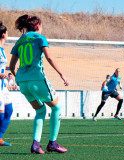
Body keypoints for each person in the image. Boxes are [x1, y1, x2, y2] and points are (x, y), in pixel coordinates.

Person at [9, 15, 69, 154]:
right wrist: (61, 74)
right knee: (57, 107)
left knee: (40, 111)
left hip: (23, 82)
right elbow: (49, 57)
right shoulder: (39, 37)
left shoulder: (20, 40)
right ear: (38, 26)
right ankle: (52, 143)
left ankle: (36, 145)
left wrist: (18, 76)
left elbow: (12, 65)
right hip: (37, 79)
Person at [0, 22, 13, 146]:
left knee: (9, 111)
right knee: (1, 115)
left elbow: (2, 66)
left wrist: (12, 67)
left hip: (3, 86)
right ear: (3, 34)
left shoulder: (2, 50)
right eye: (7, 32)